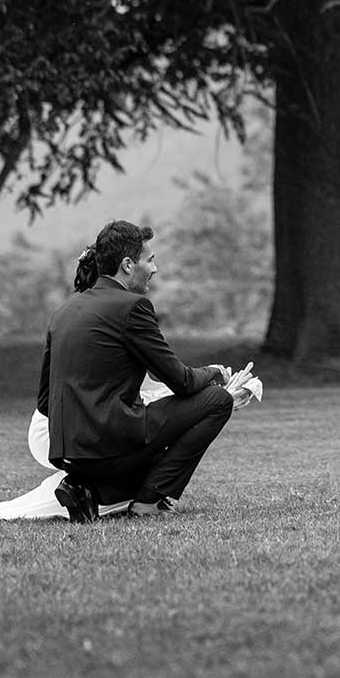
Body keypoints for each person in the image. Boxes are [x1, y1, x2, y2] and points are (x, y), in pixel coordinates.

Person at [36, 220, 235, 522]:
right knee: (217, 401)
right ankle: (146, 501)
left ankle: (85, 486)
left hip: (69, 455)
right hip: (107, 447)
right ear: (128, 265)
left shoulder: (64, 311)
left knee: (155, 435)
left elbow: (44, 402)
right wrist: (215, 373)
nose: (154, 268)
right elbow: (181, 381)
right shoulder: (133, 307)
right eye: (150, 260)